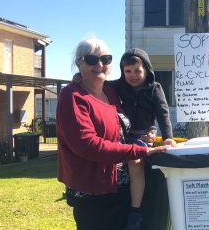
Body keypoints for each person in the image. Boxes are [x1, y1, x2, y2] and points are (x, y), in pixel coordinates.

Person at [56, 37, 167, 230]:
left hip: (122, 190)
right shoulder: (73, 96)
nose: (100, 64)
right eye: (91, 60)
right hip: (94, 194)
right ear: (78, 63)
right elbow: (87, 145)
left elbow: (119, 131)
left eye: (106, 59)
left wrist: (144, 135)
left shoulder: (111, 91)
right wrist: (139, 151)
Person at [107, 48, 175, 230]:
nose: (133, 76)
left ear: (146, 69)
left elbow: (163, 114)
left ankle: (135, 211)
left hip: (143, 134)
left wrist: (168, 137)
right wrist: (78, 80)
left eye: (137, 70)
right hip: (123, 134)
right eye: (127, 71)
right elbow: (99, 85)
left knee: (135, 162)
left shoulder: (155, 88)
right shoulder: (117, 87)